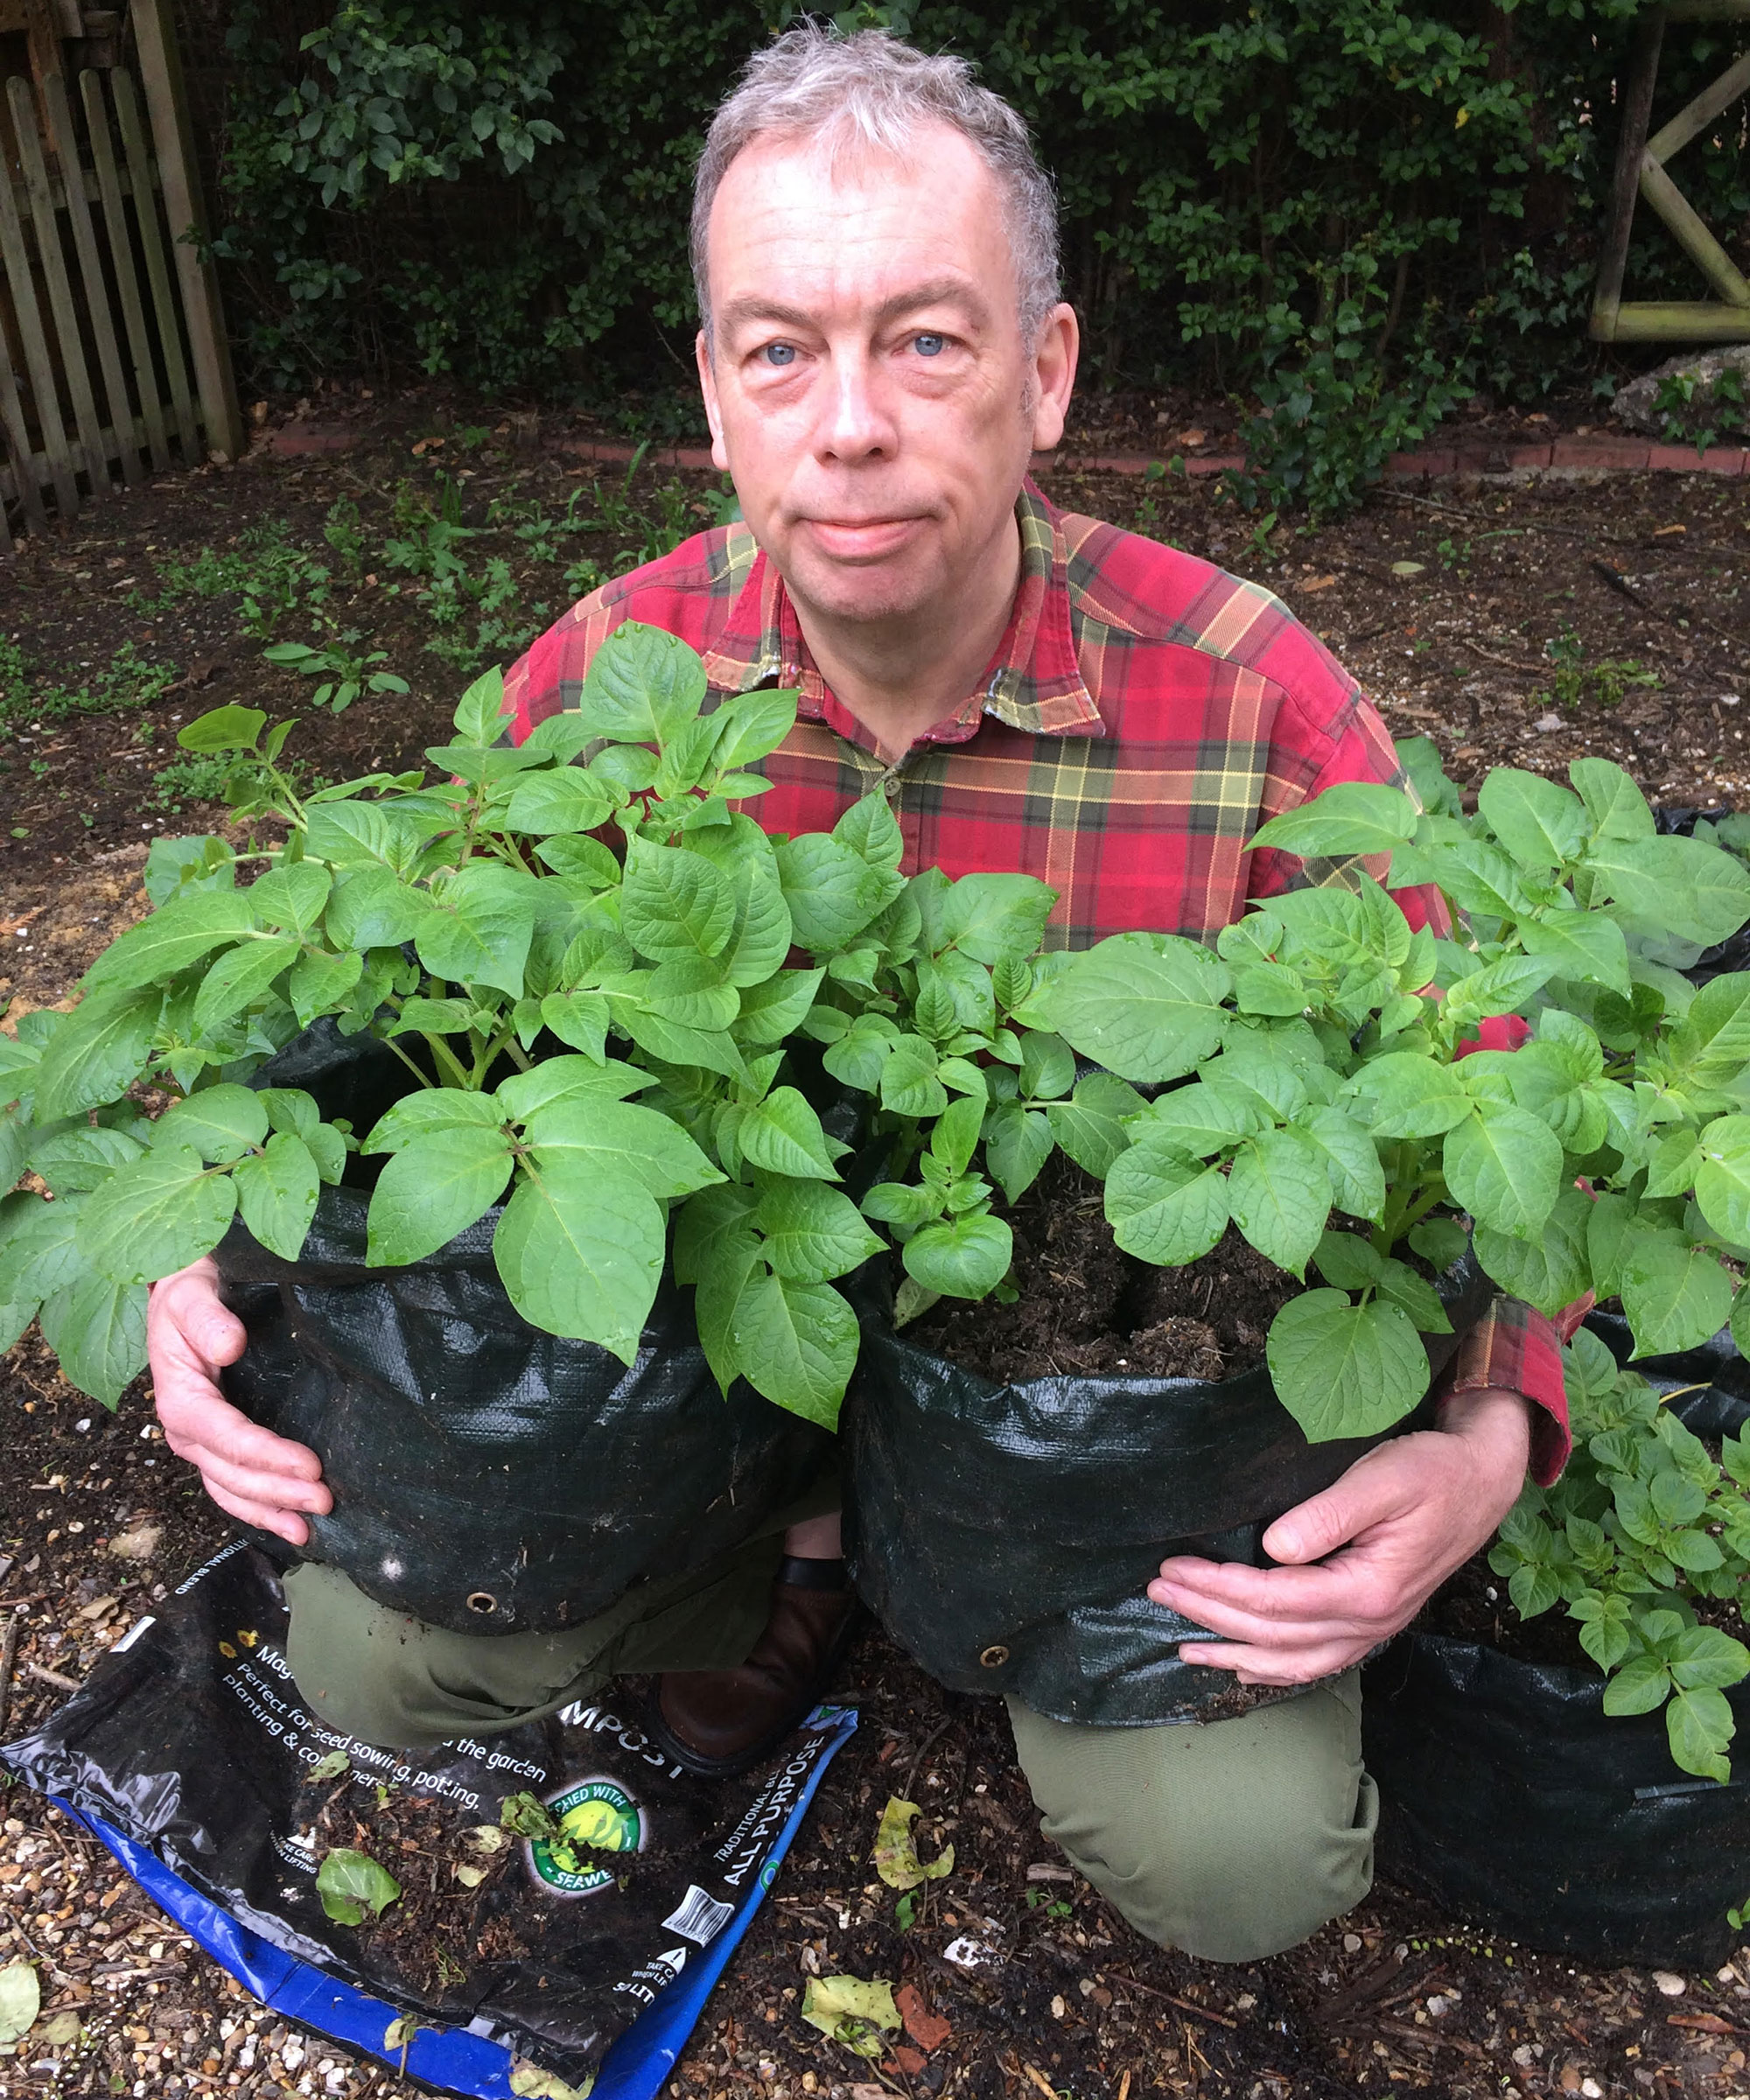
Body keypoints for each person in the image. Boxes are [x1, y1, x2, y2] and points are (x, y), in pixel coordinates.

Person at [147, 25, 1569, 1964]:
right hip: (716, 1385)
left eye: (925, 339)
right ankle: (772, 1575)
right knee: (378, 1656)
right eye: (778, 348)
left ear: (1044, 373)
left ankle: (965, 1595)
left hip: (1077, 1392)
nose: (848, 426)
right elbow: (382, 1029)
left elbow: (1490, 1091)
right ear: (716, 402)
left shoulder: (1248, 701)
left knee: (1238, 1865)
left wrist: (1492, 1425)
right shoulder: (610, 685)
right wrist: (217, 1260)